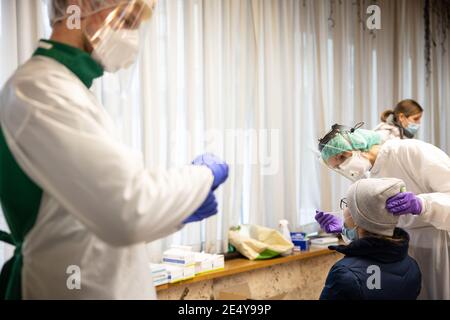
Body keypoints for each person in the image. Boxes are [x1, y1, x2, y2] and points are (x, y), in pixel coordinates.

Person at [0, 0, 229, 299]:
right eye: (128, 21)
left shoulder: (71, 90)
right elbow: (127, 208)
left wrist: (176, 213)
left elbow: (90, 218)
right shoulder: (40, 89)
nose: (132, 37)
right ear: (79, 6)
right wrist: (202, 176)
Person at [316, 123, 450, 300]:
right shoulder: (365, 175)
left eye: (342, 157)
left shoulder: (409, 151)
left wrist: (423, 204)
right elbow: (373, 228)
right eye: (337, 166)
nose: (343, 167)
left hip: (436, 243)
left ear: (359, 142)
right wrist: (346, 229)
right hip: (399, 253)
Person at [319, 178, 421, 300]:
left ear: (360, 218)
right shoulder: (412, 266)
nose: (344, 209)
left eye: (347, 204)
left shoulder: (345, 274)